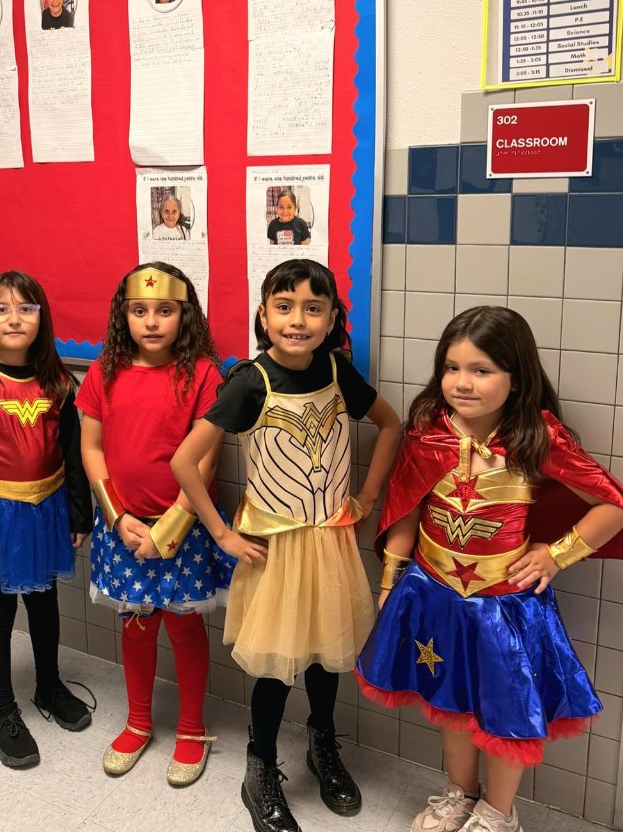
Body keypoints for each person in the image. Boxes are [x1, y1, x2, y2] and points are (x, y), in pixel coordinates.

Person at [356, 306, 623, 832]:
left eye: (481, 370)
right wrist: (390, 581)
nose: (463, 382)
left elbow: (613, 505)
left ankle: (498, 813)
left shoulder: (536, 438)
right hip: (434, 596)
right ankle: (461, 794)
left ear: (516, 377)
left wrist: (556, 554)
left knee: (507, 712)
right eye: (452, 367)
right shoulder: (427, 433)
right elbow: (406, 509)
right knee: (449, 700)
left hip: (505, 609)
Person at [172, 258, 401, 831]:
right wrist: (222, 533)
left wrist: (367, 497)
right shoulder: (250, 381)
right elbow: (183, 462)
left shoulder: (337, 370)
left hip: (330, 542)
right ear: (264, 314)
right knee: (276, 669)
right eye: (284, 306)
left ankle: (322, 745)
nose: (298, 319)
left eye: (313, 308)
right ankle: (260, 767)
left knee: (327, 652)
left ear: (332, 319)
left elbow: (390, 425)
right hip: (275, 550)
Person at [77, 263, 232, 787]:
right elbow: (91, 447)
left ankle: (191, 729)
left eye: (164, 310)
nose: (151, 321)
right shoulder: (103, 371)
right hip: (122, 527)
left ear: (184, 315)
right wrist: (118, 517)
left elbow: (206, 458)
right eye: (139, 310)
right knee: (137, 623)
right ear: (122, 316)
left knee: (184, 627)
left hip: (183, 528)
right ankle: (138, 722)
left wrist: (169, 530)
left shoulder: (205, 375)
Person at [0, 270, 94, 768]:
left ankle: (48, 686)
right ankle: (3, 710)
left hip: (47, 511)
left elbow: (73, 453)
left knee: (45, 604)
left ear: (41, 318)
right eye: (1, 309)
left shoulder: (58, 384)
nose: (14, 319)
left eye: (26, 309)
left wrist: (80, 513)